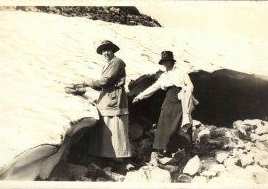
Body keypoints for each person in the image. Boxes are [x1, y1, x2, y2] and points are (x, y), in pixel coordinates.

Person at [133, 51, 198, 164]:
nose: (166, 63)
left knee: (183, 123)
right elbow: (154, 87)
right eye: (164, 61)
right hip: (169, 99)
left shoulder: (181, 72)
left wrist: (184, 92)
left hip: (180, 99)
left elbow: (190, 86)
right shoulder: (163, 76)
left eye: (167, 61)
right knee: (165, 123)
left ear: (172, 61)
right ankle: (167, 150)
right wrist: (140, 96)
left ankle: (188, 152)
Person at [77, 40, 133, 170]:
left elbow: (106, 81)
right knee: (106, 128)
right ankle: (106, 156)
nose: (106, 53)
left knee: (117, 128)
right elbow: (103, 85)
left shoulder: (117, 62)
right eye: (103, 51)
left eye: (108, 50)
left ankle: (124, 159)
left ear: (113, 51)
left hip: (114, 99)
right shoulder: (108, 64)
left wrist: (88, 82)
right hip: (107, 98)